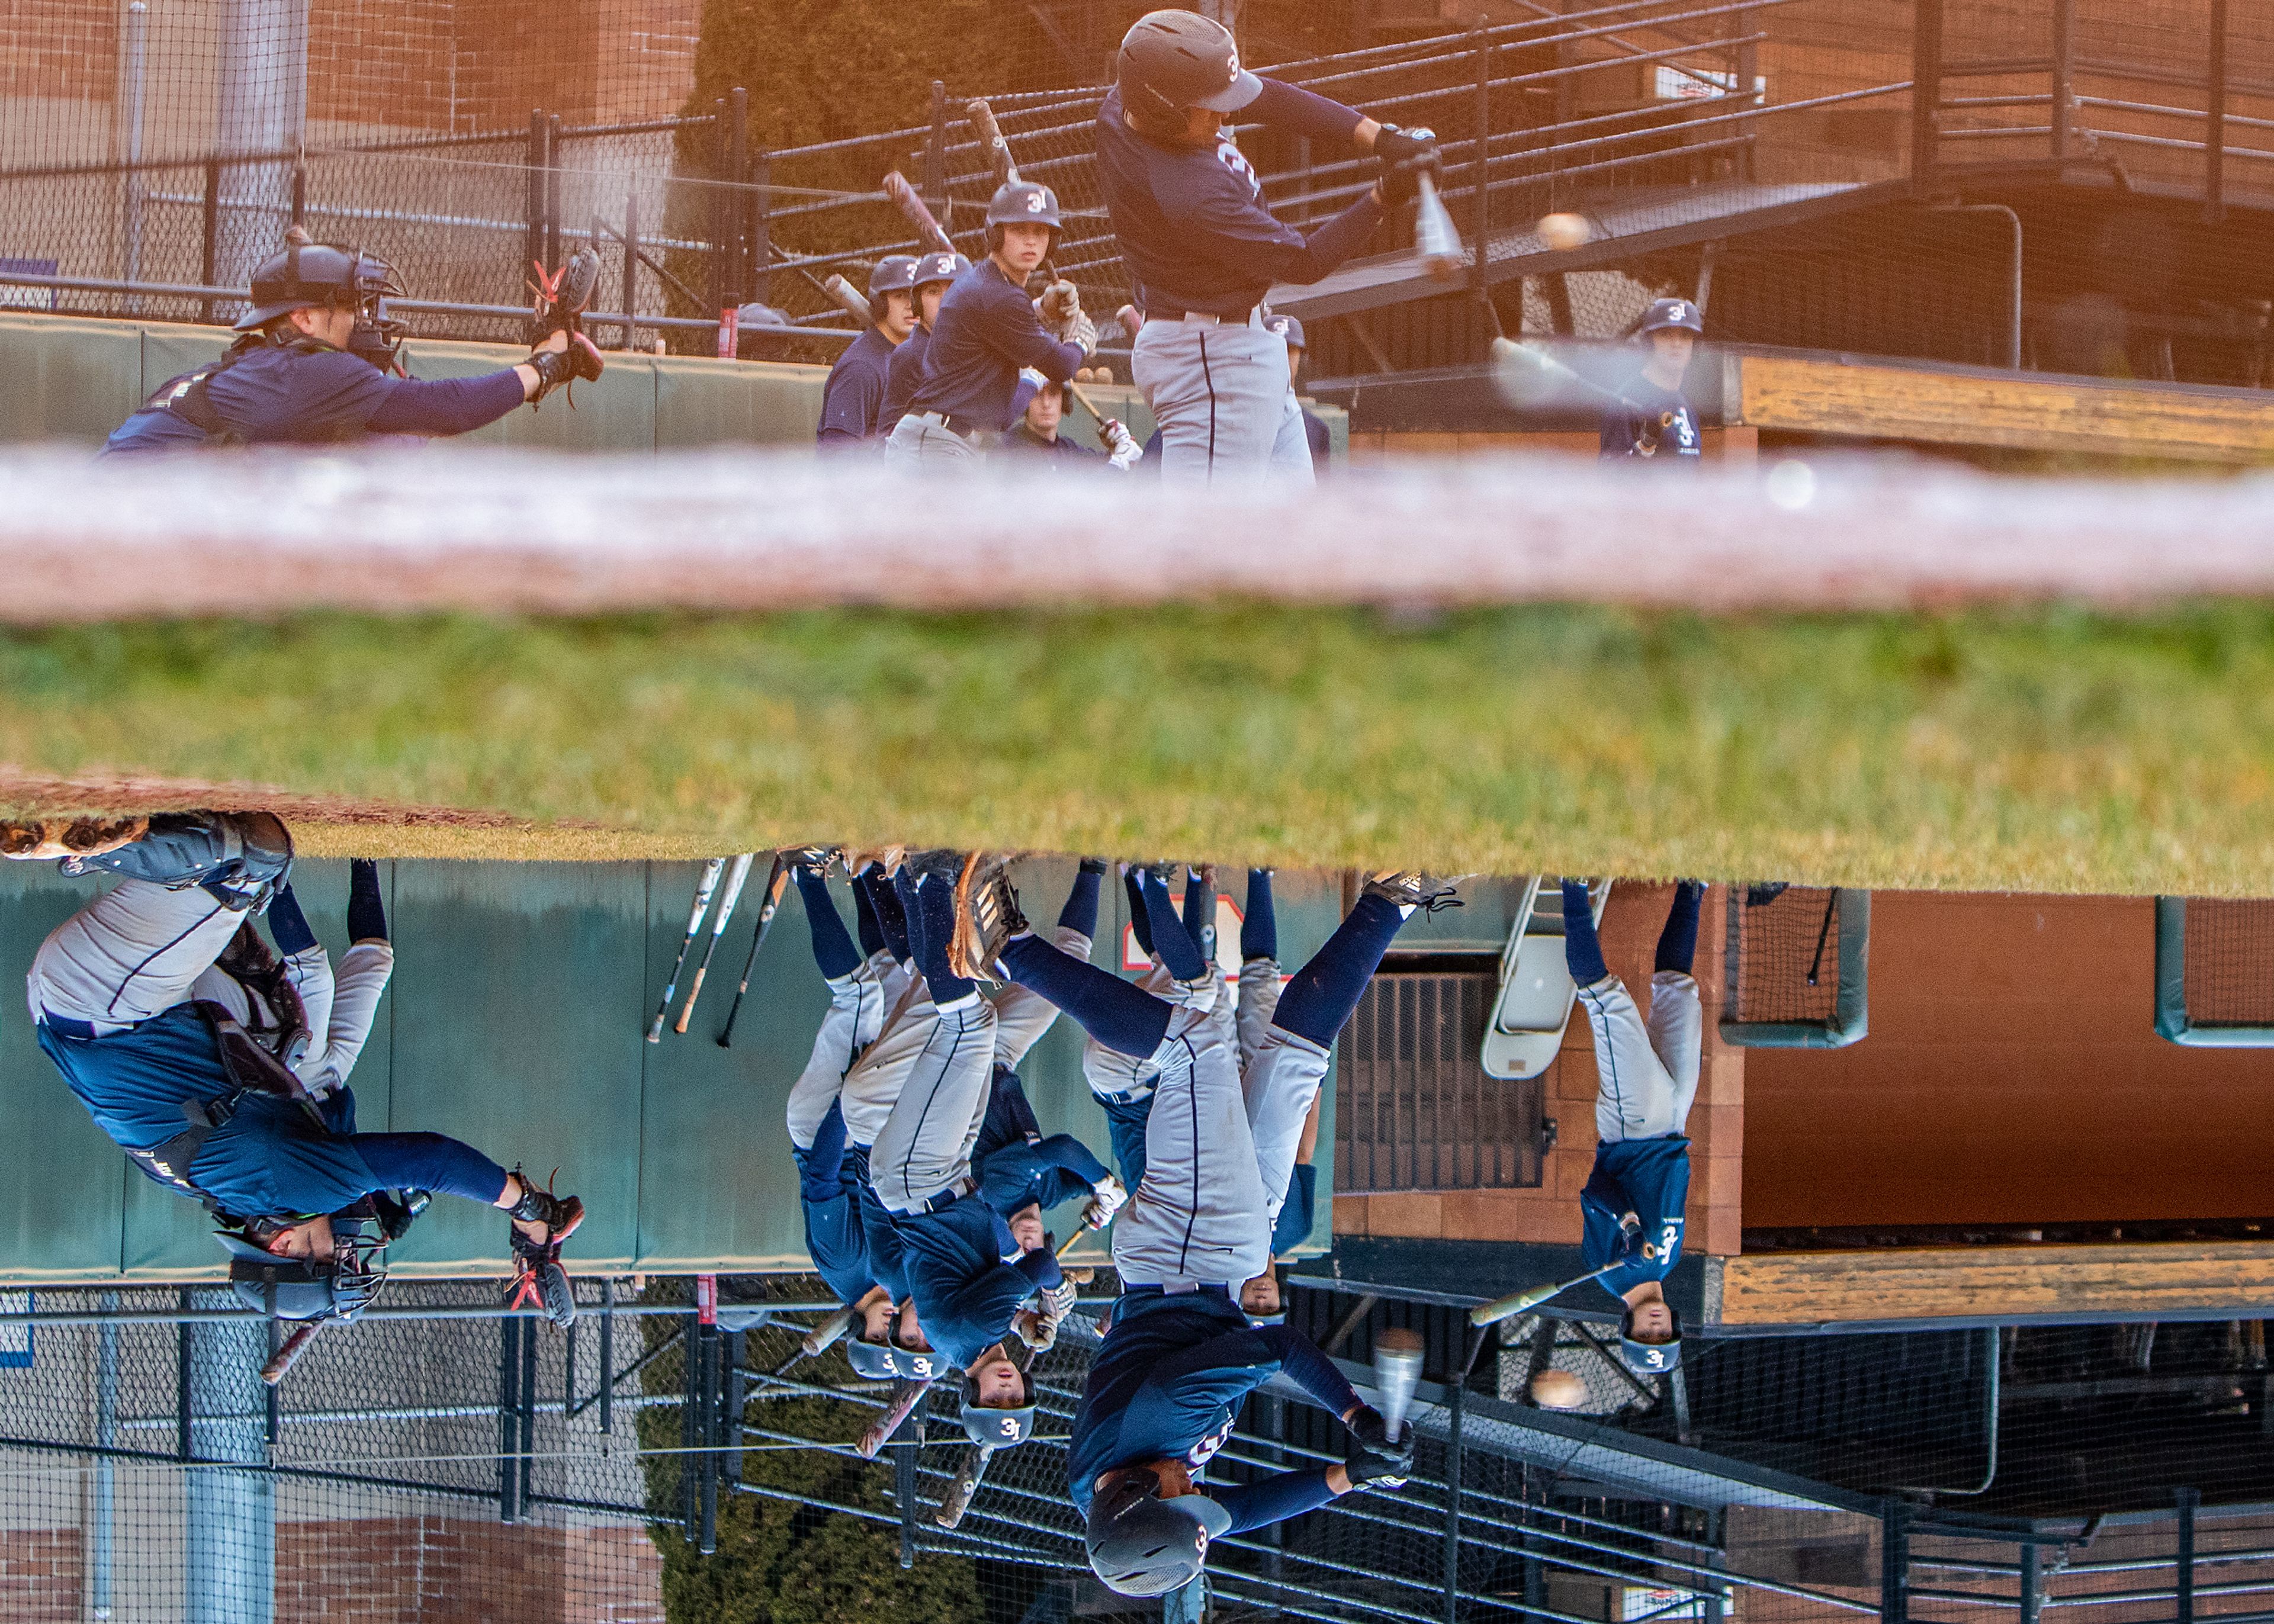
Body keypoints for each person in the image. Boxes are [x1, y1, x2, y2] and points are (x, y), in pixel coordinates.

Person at [952, 860, 1459, 1592]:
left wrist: (1353, 1414)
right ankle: (1392, 897)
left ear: (1133, 1495)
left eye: (1179, 1494)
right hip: (1212, 1253)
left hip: (1190, 1250)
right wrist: (1348, 1475)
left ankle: (1008, 948)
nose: (1193, 1486)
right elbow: (1241, 1511)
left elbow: (1278, 1341)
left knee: (1195, 1035)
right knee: (1293, 1061)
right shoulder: (1109, 1495)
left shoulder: (1159, 1416)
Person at [8, 812, 584, 1326]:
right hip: (86, 1005)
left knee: (253, 860)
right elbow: (349, 1164)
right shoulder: (238, 1195)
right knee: (230, 858)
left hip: (106, 1000)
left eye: (335, 1259)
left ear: (283, 1246)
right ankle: (113, 841)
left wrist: (528, 1209)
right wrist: (385, 1203)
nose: (349, 1250)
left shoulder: (289, 1189)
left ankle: (69, 844)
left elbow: (431, 1158)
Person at [1097, 9, 1437, 482]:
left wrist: (1380, 137)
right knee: (1211, 541)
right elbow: (1305, 260)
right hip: (1213, 362)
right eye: (1210, 104)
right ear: (1165, 110)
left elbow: (1270, 99)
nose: (1226, 113)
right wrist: (1384, 196)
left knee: (1288, 530)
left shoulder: (1126, 105)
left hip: (1241, 345)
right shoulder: (1189, 194)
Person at [837, 853, 1073, 1446]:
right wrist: (1027, 1315)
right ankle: (920, 883)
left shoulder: (968, 1331)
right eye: (1016, 1395)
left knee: (967, 1027)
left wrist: (1050, 1296)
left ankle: (932, 880)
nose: (1005, 1388)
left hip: (920, 1181)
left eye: (994, 1400)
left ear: (971, 1393)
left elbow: (1038, 1265)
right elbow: (1002, 1281)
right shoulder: (977, 1334)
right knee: (978, 1030)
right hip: (946, 1177)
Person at [102, 231, 602, 455]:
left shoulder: (267, 367)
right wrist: (547, 365)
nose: (366, 318)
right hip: (120, 532)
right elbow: (445, 410)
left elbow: (401, 438)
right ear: (304, 319)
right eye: (352, 307)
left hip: (119, 512)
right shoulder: (309, 373)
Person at [1561, 878, 1707, 1377]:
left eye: (1645, 1333)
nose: (1654, 1326)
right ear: (1674, 1324)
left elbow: (1594, 1191)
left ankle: (1571, 882)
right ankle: (1695, 882)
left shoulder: (1607, 1271)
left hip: (1633, 1126)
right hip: (1674, 1123)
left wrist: (1625, 1224)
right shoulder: (1667, 1264)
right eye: (1662, 1334)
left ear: (1626, 1326)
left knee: (1607, 1001)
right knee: (1679, 990)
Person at [885, 182, 1095, 468]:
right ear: (996, 235)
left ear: (1052, 241)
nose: (1031, 241)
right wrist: (1079, 339)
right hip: (938, 444)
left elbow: (1000, 326)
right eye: (1020, 230)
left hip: (949, 443)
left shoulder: (990, 283)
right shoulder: (998, 294)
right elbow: (1062, 366)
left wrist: (1043, 310)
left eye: (1040, 231)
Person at [818, 255, 919, 449]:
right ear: (880, 303)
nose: (911, 305)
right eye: (899, 296)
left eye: (915, 296)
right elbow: (838, 458)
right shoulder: (861, 370)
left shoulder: (915, 354)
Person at [1599, 297, 1703, 464]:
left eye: (1685, 335)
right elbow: (1611, 479)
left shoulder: (1685, 405)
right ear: (1650, 343)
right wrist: (1645, 446)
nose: (1676, 343)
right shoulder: (1627, 402)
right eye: (1666, 334)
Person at [878, 249, 968, 441]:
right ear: (917, 302)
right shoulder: (911, 355)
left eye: (955, 288)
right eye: (933, 292)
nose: (945, 300)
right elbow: (890, 439)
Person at [1004, 372, 1142, 470]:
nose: (1046, 404)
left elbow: (1134, 459)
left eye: (1053, 394)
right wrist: (1117, 466)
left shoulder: (1067, 448)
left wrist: (1117, 448)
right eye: (1037, 395)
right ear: (1025, 402)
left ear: (1064, 402)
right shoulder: (1010, 445)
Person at [1263, 314, 1332, 468]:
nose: (1282, 355)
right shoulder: (1241, 418)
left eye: (1289, 349)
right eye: (1274, 347)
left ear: (1302, 357)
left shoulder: (1316, 429)